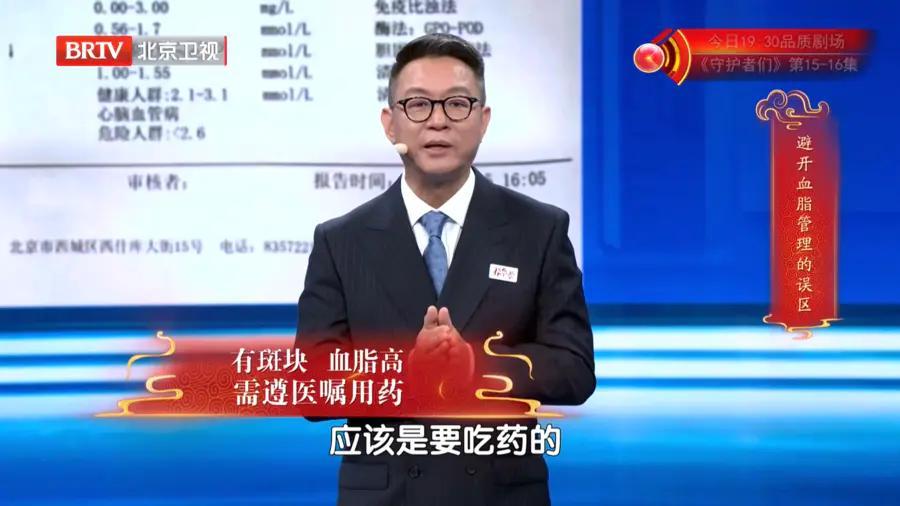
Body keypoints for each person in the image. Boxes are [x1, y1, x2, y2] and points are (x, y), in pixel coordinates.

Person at [295, 33, 595, 506]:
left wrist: (477, 367)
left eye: (457, 104)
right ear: (390, 124)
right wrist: (405, 371)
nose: (437, 120)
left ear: (483, 120)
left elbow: (575, 370)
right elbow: (311, 387)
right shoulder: (341, 241)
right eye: (418, 105)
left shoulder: (539, 230)